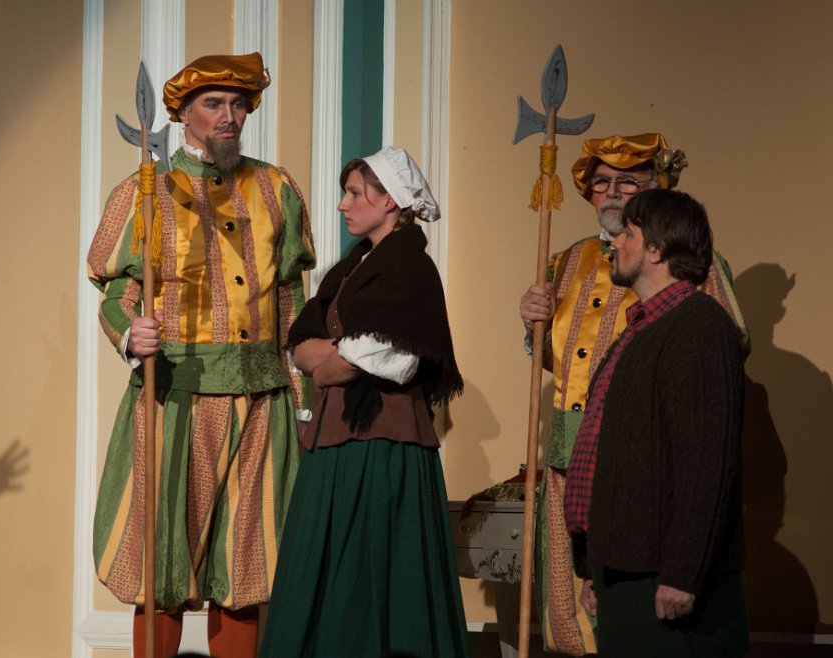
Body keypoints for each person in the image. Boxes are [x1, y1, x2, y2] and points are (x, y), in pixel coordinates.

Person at [86, 52, 315, 658]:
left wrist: (305, 402)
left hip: (262, 398)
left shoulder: (277, 188)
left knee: (246, 563)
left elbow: (291, 302)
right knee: (164, 561)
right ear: (183, 115)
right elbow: (117, 294)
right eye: (213, 104)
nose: (229, 116)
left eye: (239, 104)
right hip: (176, 398)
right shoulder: (147, 191)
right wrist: (130, 335)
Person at [518, 133, 747, 655]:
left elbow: (706, 429)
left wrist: (682, 570)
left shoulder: (692, 294)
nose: (613, 194)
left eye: (627, 182)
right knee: (577, 614)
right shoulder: (566, 261)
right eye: (602, 182)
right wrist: (534, 326)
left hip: (645, 466)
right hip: (575, 461)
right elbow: (563, 360)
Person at [259, 147, 468, 657]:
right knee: (322, 572)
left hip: (380, 448)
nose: (343, 205)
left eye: (354, 193)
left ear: (390, 199)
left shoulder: (409, 269)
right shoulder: (354, 268)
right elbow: (302, 344)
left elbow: (378, 360)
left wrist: (326, 359)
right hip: (335, 443)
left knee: (371, 576)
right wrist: (327, 357)